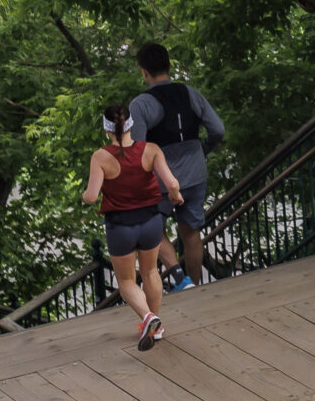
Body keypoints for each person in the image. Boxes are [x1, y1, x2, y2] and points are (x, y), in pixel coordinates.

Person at [83, 103, 187, 349]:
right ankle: (156, 326)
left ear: (106, 129)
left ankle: (149, 318)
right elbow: (172, 183)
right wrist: (176, 197)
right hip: (151, 222)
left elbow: (91, 196)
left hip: (121, 227)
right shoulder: (151, 150)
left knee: (127, 281)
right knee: (151, 272)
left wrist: (85, 196)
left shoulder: (100, 157)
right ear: (130, 125)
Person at [129, 43, 225, 289]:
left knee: (148, 228)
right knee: (191, 233)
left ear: (144, 72)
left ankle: (179, 279)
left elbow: (139, 149)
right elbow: (218, 130)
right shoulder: (191, 93)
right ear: (169, 66)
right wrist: (201, 151)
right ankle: (194, 286)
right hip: (194, 175)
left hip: (160, 181)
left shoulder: (140, 104)